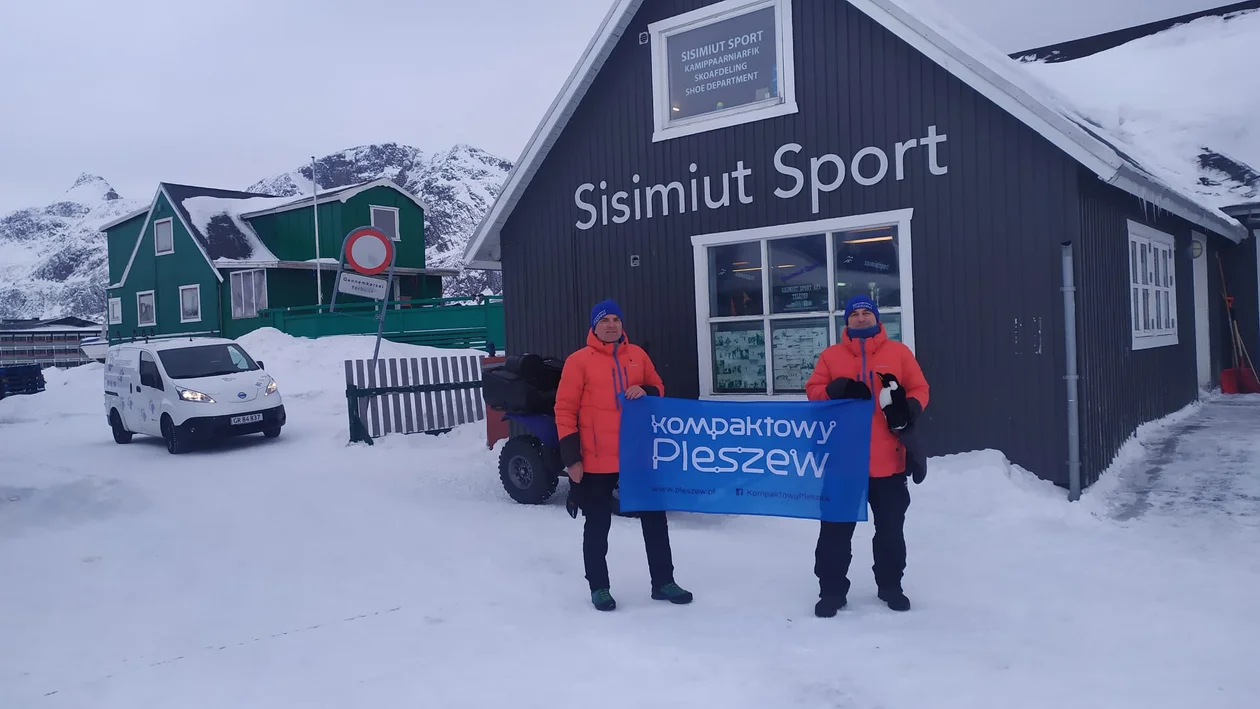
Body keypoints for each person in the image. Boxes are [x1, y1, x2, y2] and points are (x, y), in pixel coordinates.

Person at [554, 299, 694, 611]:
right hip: (596, 458)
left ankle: (663, 582)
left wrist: (647, 390)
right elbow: (564, 410)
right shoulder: (579, 362)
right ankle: (599, 587)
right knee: (598, 523)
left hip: (637, 455)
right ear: (594, 326)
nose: (612, 325)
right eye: (605, 320)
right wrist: (571, 458)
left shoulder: (637, 356)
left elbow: (658, 386)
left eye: (616, 319)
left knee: (655, 520)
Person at [805, 295, 930, 616]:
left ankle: (890, 586)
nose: (861, 319)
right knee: (835, 531)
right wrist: (836, 389)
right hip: (843, 463)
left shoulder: (899, 353)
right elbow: (813, 392)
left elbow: (920, 388)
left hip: (889, 462)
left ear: (877, 319)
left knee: (890, 531)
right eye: (855, 314)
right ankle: (831, 592)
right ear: (846, 321)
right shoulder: (831, 356)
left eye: (866, 313)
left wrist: (909, 409)